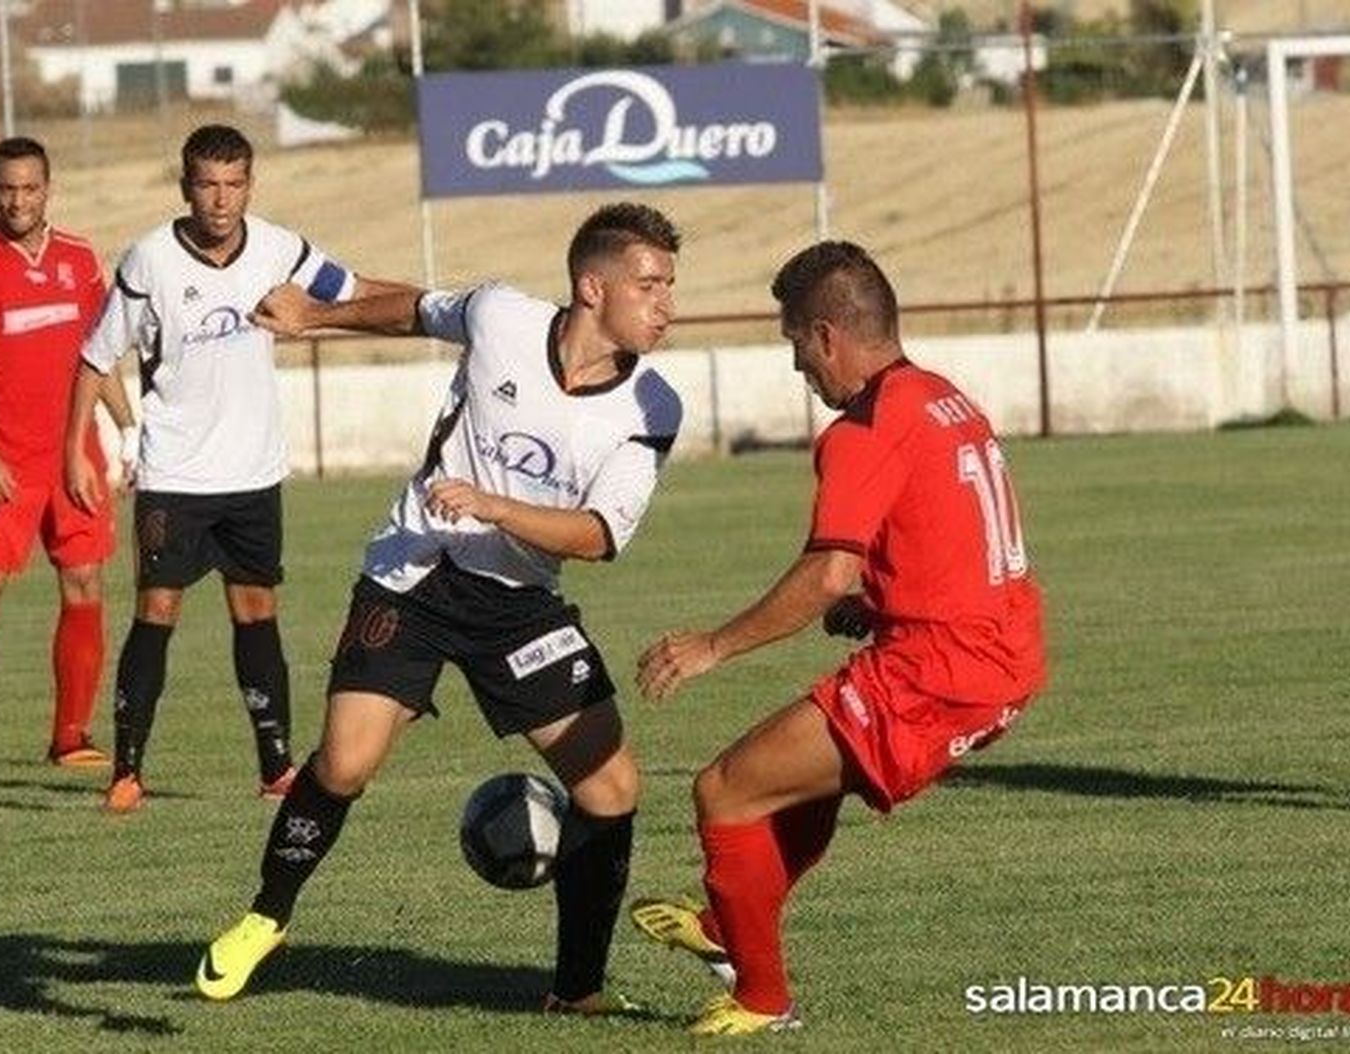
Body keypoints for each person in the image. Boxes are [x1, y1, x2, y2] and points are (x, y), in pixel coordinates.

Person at [193, 202, 683, 1016]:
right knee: (344, 763)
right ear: (592, 288)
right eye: (650, 285)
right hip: (414, 574)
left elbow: (599, 536)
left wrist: (496, 507)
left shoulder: (652, 406)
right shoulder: (500, 316)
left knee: (610, 787)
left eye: (669, 285)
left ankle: (578, 990)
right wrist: (316, 315)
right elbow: (413, 310)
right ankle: (266, 919)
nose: (667, 304)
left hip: (519, 606)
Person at [631, 241, 1048, 1035]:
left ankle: (762, 1000)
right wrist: (881, 604)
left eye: (796, 344)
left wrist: (713, 646)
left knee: (725, 790)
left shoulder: (863, 429)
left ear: (825, 336)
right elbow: (949, 536)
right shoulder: (943, 397)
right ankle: (727, 922)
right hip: (1002, 654)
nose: (798, 368)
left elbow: (827, 572)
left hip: (939, 672)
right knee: (797, 782)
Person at [65, 124, 389, 813]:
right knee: (157, 610)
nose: (221, 199)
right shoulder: (149, 260)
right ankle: (126, 771)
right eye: (207, 184)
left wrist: (436, 307)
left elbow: (352, 289)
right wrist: (76, 452)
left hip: (252, 472)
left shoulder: (278, 248)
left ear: (250, 185)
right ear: (186, 187)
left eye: (234, 184)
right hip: (175, 476)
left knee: (257, 612)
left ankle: (276, 768)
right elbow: (95, 356)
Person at [0, 136, 136, 773]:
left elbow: (99, 356)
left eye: (30, 188)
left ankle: (70, 736)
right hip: (6, 462)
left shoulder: (80, 259)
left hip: (75, 460)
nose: (18, 201)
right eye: (7, 189)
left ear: (47, 189)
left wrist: (127, 429)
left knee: (85, 582)